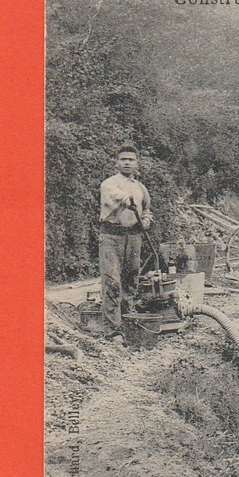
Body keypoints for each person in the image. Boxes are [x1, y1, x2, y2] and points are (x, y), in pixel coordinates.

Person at [98, 143, 153, 341]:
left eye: (131, 159)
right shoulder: (109, 183)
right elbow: (115, 196)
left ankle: (128, 323)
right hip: (111, 237)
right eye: (123, 159)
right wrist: (126, 198)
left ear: (137, 163)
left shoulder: (141, 188)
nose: (127, 162)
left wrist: (146, 220)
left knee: (131, 280)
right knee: (112, 282)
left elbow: (146, 209)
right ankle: (112, 331)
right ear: (116, 162)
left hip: (134, 237)